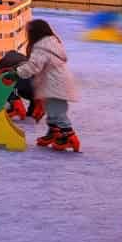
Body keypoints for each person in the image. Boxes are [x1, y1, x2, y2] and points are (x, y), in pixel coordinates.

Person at [15, 18, 80, 152]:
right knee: (52, 111)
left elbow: (34, 66)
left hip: (54, 84)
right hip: (57, 83)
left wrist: (17, 72)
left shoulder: (41, 47)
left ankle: (69, 137)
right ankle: (54, 133)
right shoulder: (52, 43)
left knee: (57, 112)